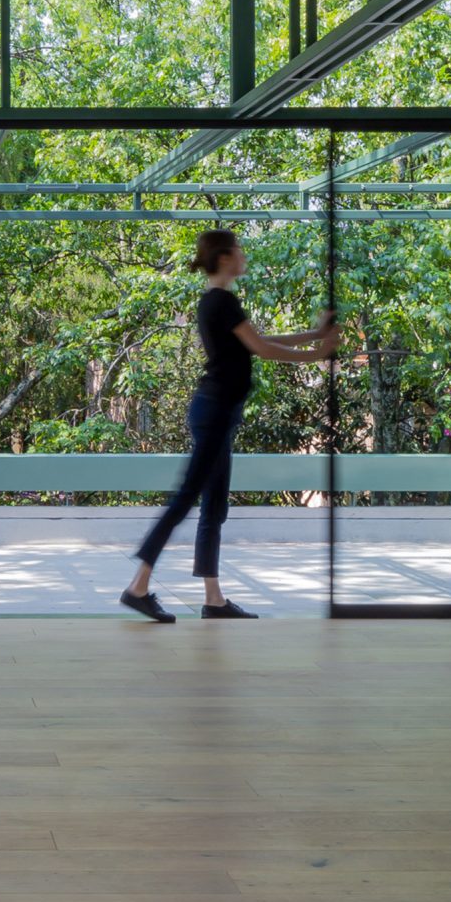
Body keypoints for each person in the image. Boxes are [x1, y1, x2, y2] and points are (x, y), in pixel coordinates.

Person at [121, 228, 338, 624]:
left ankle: (214, 600)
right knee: (187, 499)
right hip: (215, 411)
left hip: (219, 411)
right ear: (224, 258)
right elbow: (263, 348)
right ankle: (137, 587)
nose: (243, 255)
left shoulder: (217, 302)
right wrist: (316, 354)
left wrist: (315, 336)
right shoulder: (222, 300)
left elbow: (258, 338)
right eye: (239, 249)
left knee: (213, 506)